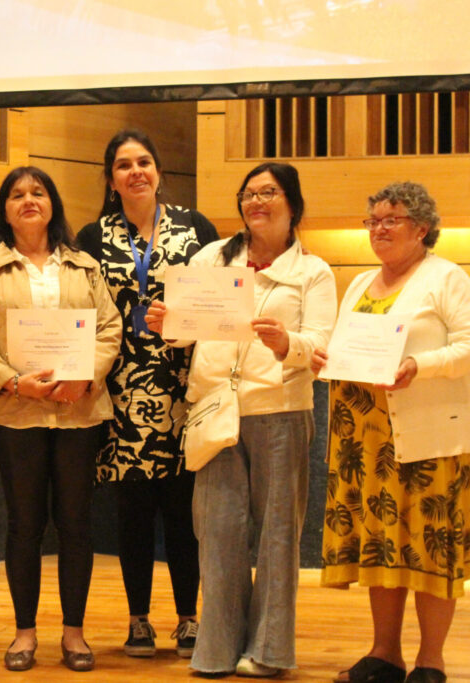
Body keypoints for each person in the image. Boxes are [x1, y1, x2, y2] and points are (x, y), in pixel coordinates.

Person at [147, 161, 336, 677]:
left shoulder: (312, 271)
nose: (256, 202)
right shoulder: (213, 257)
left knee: (277, 534)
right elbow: (188, 330)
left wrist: (287, 343)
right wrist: (168, 324)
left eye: (268, 193)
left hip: (279, 410)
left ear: (292, 204)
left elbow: (321, 344)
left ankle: (271, 651)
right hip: (214, 408)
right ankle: (216, 650)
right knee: (219, 531)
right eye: (248, 194)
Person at [311, 182, 470, 683]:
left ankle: (430, 661)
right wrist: (325, 356)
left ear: (422, 228)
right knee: (382, 546)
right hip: (366, 444)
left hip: (429, 436)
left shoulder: (446, 278)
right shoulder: (361, 283)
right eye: (372, 220)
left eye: (391, 219)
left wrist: (420, 363)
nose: (379, 229)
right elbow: (345, 344)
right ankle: (384, 653)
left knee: (432, 548)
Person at [0, 166, 122, 672]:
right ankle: (24, 633)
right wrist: (13, 382)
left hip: (78, 410)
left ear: (52, 204)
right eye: (16, 195)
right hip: (15, 411)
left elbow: (109, 329)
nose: (28, 200)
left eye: (38, 192)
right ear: (3, 209)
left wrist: (84, 376)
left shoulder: (86, 266)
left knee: (75, 523)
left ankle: (74, 634)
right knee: (24, 524)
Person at [75, 129, 218, 658]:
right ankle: (138, 619)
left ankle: (188, 617)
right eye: (123, 165)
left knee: (184, 512)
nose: (135, 171)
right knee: (132, 511)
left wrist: (180, 318)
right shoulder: (93, 237)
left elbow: (220, 301)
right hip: (120, 395)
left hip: (184, 388)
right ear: (111, 179)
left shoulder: (195, 227)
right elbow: (82, 310)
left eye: (144, 162)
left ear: (158, 171)